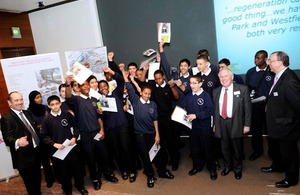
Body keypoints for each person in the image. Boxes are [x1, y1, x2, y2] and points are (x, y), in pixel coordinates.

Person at [120, 63, 174, 188]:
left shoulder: (153, 105)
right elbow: (128, 83)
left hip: (152, 134)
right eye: (145, 93)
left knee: (157, 154)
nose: (147, 95)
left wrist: (157, 134)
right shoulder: (134, 100)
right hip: (140, 135)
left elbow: (155, 120)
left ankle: (161, 171)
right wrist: (123, 70)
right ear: (141, 93)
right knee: (145, 156)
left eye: (149, 94)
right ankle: (150, 176)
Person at [64, 76, 118, 191]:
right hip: (85, 135)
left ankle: (108, 174)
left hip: (97, 132)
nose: (86, 86)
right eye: (83, 85)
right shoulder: (76, 100)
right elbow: (68, 96)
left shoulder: (95, 99)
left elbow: (99, 117)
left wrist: (102, 129)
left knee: (104, 155)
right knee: (91, 158)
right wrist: (67, 84)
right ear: (79, 87)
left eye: (87, 84)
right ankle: (95, 179)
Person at [261, 51, 300, 188]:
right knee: (277, 149)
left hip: (286, 126)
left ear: (279, 62)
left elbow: (298, 105)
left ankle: (291, 178)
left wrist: (289, 122)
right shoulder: (278, 76)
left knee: (289, 153)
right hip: (276, 124)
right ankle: (277, 166)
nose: (268, 63)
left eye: (270, 60)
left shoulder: (289, 80)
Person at [41, 95, 88, 195]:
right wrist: (54, 144)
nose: (55, 106)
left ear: (60, 104)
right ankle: (67, 190)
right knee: (63, 172)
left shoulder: (67, 114)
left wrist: (74, 137)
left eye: (57, 104)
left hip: (71, 148)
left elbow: (75, 127)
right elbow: (44, 136)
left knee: (77, 169)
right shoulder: (47, 119)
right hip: (59, 151)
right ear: (49, 106)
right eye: (52, 105)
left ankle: (80, 186)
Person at [98, 66, 137, 182]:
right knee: (117, 151)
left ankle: (132, 171)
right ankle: (123, 171)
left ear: (108, 86)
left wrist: (111, 72)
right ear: (99, 90)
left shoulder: (117, 93)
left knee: (126, 148)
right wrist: (100, 112)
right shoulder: (100, 101)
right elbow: (102, 117)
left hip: (122, 126)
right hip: (111, 129)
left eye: (105, 86)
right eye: (101, 87)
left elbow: (120, 80)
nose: (103, 88)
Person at [213, 69, 251, 180]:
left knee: (236, 147)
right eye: (221, 77)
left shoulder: (242, 89)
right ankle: (227, 166)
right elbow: (215, 110)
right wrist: (215, 124)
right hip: (221, 122)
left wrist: (247, 125)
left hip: (236, 122)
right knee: (224, 147)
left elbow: (248, 109)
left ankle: (237, 169)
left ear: (232, 77)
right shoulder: (216, 91)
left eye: (226, 76)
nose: (223, 79)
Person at [1, 91, 41, 195]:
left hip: (35, 153)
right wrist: (18, 141)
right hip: (23, 158)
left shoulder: (27, 113)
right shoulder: (6, 118)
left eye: (21, 99)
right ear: (9, 103)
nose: (20, 102)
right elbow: (7, 138)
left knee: (37, 179)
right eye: (16, 100)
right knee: (30, 184)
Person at [181, 75, 217, 180]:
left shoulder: (205, 95)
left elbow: (210, 110)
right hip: (193, 127)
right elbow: (185, 108)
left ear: (200, 84)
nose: (192, 85)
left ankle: (212, 169)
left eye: (194, 83)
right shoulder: (188, 96)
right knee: (195, 149)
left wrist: (196, 116)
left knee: (207, 148)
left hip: (205, 127)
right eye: (190, 83)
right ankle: (197, 166)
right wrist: (184, 115)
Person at [245, 50, 274, 161]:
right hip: (255, 106)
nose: (256, 60)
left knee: (270, 130)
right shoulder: (250, 72)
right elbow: (247, 89)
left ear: (266, 59)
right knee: (256, 129)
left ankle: (272, 151)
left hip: (269, 107)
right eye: (255, 57)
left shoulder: (271, 71)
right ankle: (257, 150)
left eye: (259, 58)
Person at [150, 70, 181, 171]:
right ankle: (164, 160)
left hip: (169, 118)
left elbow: (176, 97)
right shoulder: (153, 89)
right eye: (156, 78)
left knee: (171, 142)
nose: (158, 80)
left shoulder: (169, 87)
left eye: (159, 78)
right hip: (158, 120)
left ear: (163, 77)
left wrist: (172, 87)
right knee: (161, 143)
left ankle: (175, 161)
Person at [27, 90, 55, 188]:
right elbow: (31, 126)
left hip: (50, 136)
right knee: (45, 161)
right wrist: (39, 126)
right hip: (40, 139)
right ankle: (49, 180)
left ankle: (58, 176)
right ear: (32, 99)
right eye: (37, 97)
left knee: (55, 158)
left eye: (40, 97)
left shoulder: (46, 107)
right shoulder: (29, 111)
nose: (40, 99)